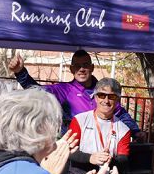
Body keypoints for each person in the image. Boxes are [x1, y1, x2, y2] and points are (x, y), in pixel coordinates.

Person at [9, 50, 140, 135]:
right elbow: (37, 91)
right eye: (77, 66)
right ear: (72, 69)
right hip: (76, 150)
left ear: (92, 67)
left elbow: (121, 114)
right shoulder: (63, 90)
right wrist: (20, 72)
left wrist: (135, 131)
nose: (81, 69)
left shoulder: (104, 92)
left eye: (85, 65)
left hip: (102, 149)